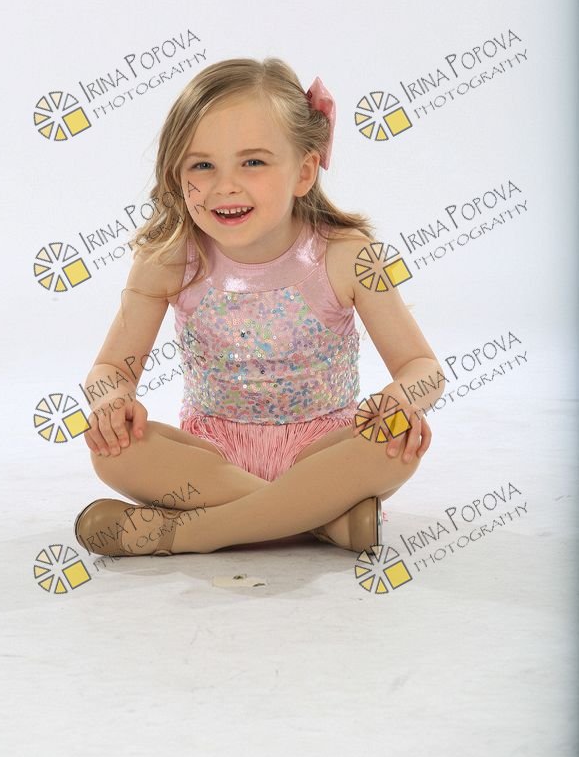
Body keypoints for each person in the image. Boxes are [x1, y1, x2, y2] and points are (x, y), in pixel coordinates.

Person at [74, 57, 440, 558]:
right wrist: (111, 402)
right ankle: (323, 521)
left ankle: (187, 532)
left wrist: (401, 399)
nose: (226, 185)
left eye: (253, 162)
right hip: (212, 459)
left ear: (304, 171)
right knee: (115, 453)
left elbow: (422, 367)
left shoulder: (347, 256)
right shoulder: (168, 260)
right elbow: (112, 368)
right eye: (202, 165)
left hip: (324, 455)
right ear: (177, 174)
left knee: (394, 443)